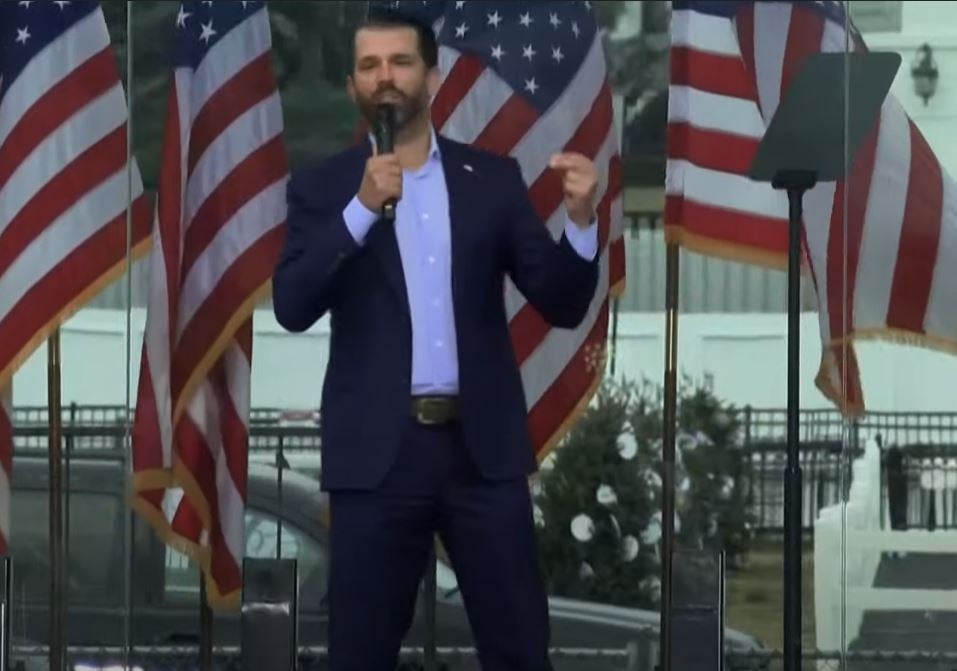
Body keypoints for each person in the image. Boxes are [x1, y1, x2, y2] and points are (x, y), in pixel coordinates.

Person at [272, 8, 600, 670]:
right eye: (369, 66)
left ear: (433, 75)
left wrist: (583, 222)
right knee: (359, 652)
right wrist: (361, 210)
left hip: (480, 457)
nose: (384, 78)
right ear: (351, 88)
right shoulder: (324, 188)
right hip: (376, 461)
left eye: (399, 62)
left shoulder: (492, 181)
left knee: (518, 649)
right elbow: (292, 304)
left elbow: (561, 301)